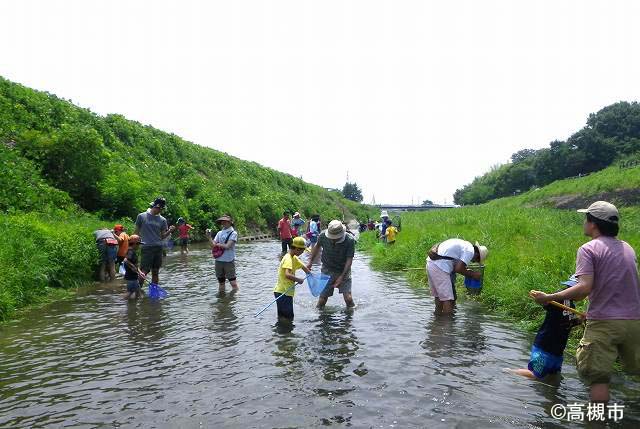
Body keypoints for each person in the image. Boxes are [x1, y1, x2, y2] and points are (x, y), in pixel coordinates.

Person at [530, 201, 640, 403]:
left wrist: (549, 297)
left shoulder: (588, 249)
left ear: (593, 223)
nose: (584, 223)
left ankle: (596, 424)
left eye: (586, 219)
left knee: (598, 379)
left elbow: (583, 289)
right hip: (634, 321)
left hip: (605, 323)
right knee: (635, 372)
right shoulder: (628, 248)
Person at [512, 276, 582, 379]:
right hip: (544, 348)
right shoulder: (558, 300)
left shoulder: (571, 306)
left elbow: (567, 323)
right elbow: (546, 303)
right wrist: (545, 299)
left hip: (557, 351)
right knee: (535, 375)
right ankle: (507, 372)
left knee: (553, 377)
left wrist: (580, 320)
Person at [426, 238, 488, 314]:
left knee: (439, 296)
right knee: (448, 299)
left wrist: (467, 271)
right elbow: (458, 268)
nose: (473, 261)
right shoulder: (470, 251)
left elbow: (455, 264)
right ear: (477, 254)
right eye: (476, 260)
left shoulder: (465, 245)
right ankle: (447, 323)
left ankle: (437, 318)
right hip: (439, 266)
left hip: (431, 263)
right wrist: (473, 274)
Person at [307, 219, 356, 308]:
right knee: (322, 300)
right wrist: (310, 261)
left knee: (348, 299)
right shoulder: (322, 236)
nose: (333, 239)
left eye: (335, 237)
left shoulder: (349, 240)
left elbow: (349, 260)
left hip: (343, 270)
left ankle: (350, 319)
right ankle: (319, 319)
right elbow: (317, 247)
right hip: (327, 270)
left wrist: (341, 277)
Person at [134, 197, 175, 285]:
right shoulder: (141, 216)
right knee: (144, 270)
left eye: (162, 209)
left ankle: (154, 291)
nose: (160, 210)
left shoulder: (163, 220)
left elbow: (162, 236)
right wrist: (133, 246)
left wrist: (170, 231)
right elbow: (136, 233)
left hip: (158, 248)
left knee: (155, 271)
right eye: (159, 208)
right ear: (155, 206)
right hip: (146, 247)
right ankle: (137, 290)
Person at [273, 236, 312, 322]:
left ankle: (281, 334)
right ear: (297, 249)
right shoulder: (288, 259)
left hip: (285, 292)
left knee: (283, 317)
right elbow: (287, 274)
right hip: (283, 293)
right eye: (302, 250)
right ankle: (285, 334)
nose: (302, 252)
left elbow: (304, 267)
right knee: (288, 318)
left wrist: (310, 273)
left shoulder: (294, 257)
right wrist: (299, 280)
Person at [208, 214, 239, 294]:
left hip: (229, 260)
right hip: (219, 260)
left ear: (230, 222)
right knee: (221, 283)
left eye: (225, 221)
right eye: (222, 221)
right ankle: (222, 300)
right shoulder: (219, 233)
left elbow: (228, 246)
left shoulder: (233, 233)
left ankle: (235, 300)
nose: (223, 223)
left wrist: (217, 244)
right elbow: (212, 245)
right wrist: (209, 237)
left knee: (233, 283)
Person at [122, 234, 145, 300]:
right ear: (134, 244)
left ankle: (133, 305)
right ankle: (120, 302)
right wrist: (133, 267)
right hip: (131, 277)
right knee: (131, 292)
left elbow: (134, 265)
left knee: (136, 292)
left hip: (133, 277)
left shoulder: (132, 251)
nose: (139, 246)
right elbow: (125, 260)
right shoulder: (130, 251)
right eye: (138, 244)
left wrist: (140, 272)